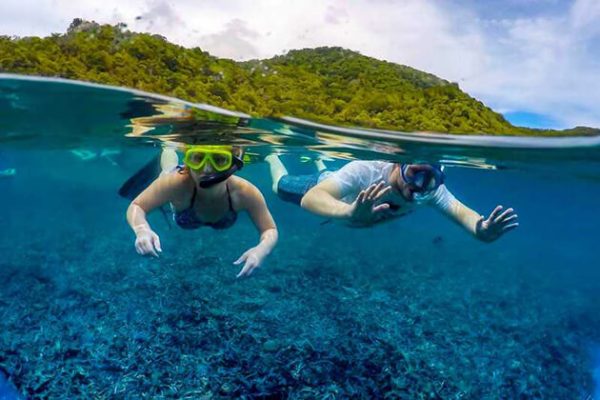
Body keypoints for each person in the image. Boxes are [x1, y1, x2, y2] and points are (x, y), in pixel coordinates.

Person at [266, 155, 518, 242]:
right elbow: (312, 198)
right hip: (325, 186)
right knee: (279, 188)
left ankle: (322, 163)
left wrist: (483, 230)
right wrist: (349, 212)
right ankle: (273, 157)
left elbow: (464, 214)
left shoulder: (430, 191)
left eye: (429, 180)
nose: (416, 189)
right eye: (414, 175)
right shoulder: (366, 170)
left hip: (340, 188)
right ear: (398, 165)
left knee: (330, 175)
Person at [126, 145, 278, 277]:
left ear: (233, 164)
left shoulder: (245, 192)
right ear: (188, 160)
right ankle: (169, 148)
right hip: (176, 179)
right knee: (167, 172)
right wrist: (141, 229)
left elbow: (269, 229)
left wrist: (261, 250)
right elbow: (137, 206)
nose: (206, 169)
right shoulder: (174, 184)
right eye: (197, 158)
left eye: (219, 160)